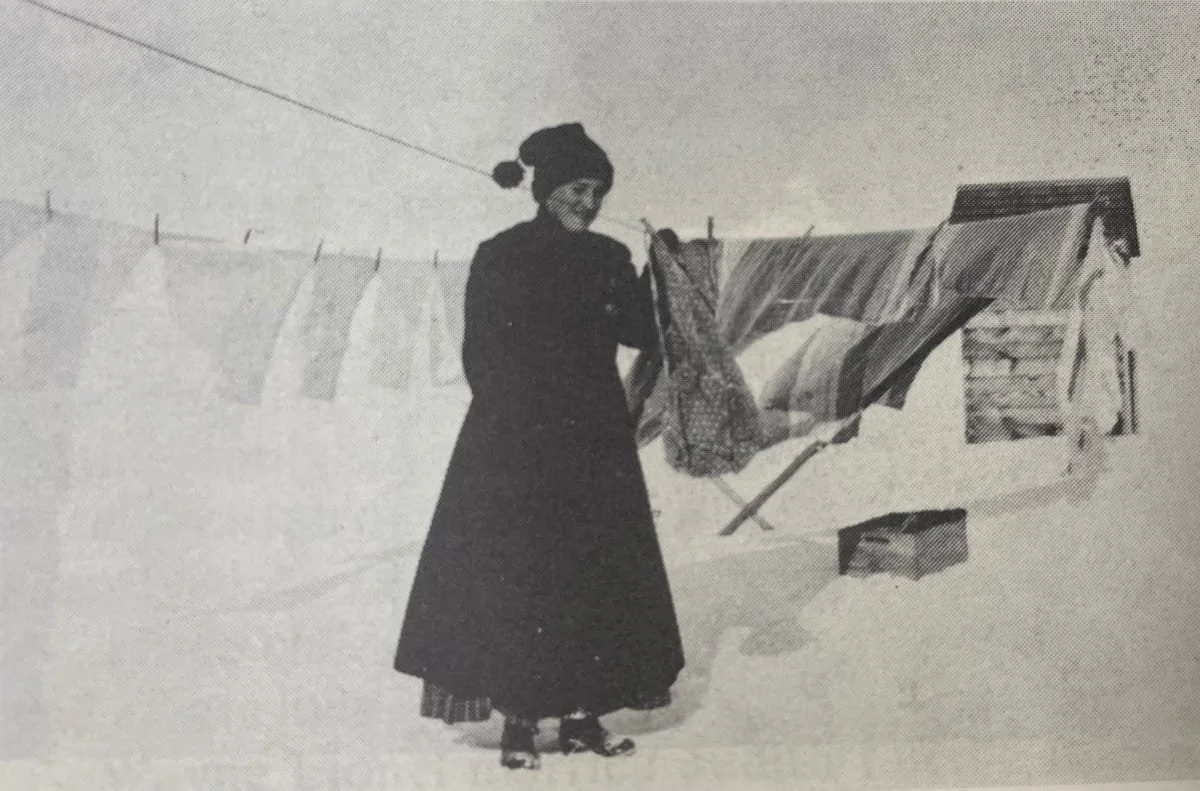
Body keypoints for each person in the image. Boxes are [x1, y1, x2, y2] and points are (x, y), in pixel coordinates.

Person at [393, 123, 685, 770]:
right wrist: (518, 429)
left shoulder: (609, 257)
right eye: (578, 189)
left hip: (595, 442)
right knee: (522, 575)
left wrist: (661, 273)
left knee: (593, 572)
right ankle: (520, 724)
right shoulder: (501, 255)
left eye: (598, 192)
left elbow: (640, 332)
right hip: (514, 441)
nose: (590, 202)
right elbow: (480, 352)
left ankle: (582, 717)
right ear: (546, 189)